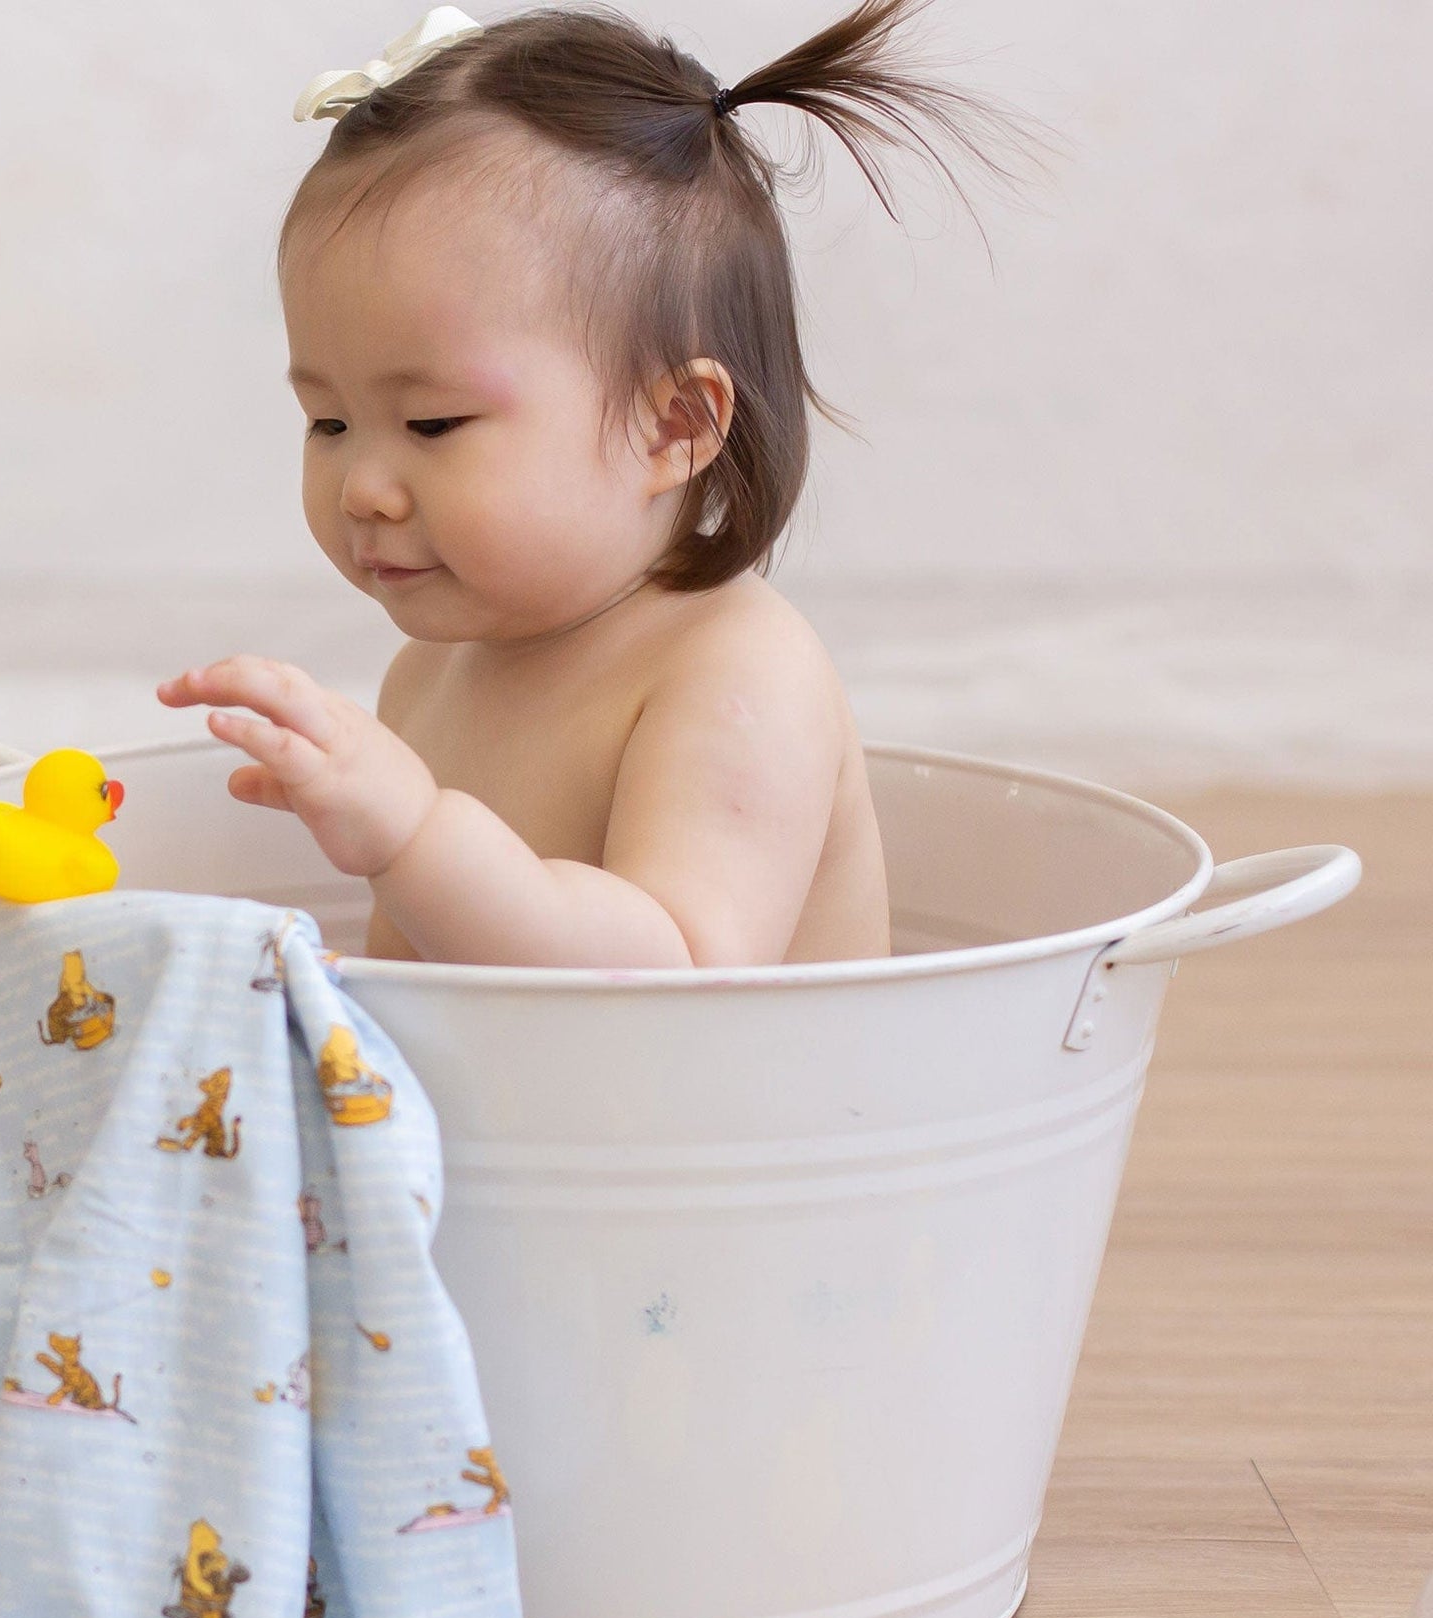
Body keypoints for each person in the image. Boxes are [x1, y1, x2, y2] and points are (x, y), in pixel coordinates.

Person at [159, 1, 1013, 966]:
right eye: (329, 422)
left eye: (432, 422)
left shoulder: (734, 675)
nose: (363, 488)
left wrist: (413, 837)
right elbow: (423, 1000)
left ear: (675, 427)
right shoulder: (430, 674)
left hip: (759, 1120)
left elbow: (678, 976)